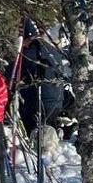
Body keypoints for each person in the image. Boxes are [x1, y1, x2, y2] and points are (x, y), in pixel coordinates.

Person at [18, 19, 70, 148]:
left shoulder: (29, 52)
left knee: (33, 125)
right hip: (57, 99)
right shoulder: (51, 48)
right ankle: (51, 145)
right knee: (48, 125)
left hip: (38, 99)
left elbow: (19, 73)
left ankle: (38, 147)